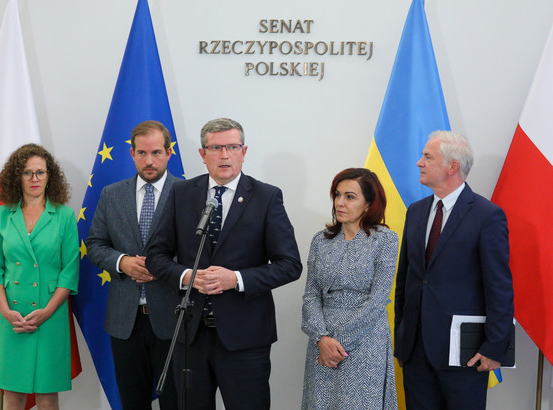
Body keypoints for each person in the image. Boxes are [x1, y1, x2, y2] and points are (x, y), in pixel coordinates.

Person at [146, 117, 302, 409]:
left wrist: (237, 279)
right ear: (202, 155)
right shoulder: (181, 193)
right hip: (189, 336)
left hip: (244, 338)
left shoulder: (266, 197)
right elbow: (156, 256)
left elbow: (290, 264)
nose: (225, 154)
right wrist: (186, 276)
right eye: (216, 148)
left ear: (244, 152)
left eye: (232, 146)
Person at [394, 131, 514, 409]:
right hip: (415, 351)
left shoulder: (487, 215)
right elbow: (406, 278)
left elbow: (498, 286)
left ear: (452, 166)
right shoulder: (415, 211)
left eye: (427, 156)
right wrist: (402, 336)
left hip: (465, 353)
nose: (419, 163)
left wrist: (495, 346)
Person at [86, 120, 180, 410]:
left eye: (155, 152)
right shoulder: (111, 194)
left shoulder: (189, 192)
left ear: (168, 153)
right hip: (125, 321)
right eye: (142, 153)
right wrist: (122, 262)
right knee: (132, 403)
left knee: (177, 403)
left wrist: (164, 267)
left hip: (173, 319)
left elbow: (199, 252)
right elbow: (94, 244)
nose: (148, 160)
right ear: (132, 154)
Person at [0, 144, 79, 410]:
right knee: (13, 397)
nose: (34, 179)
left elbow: (69, 272)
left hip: (50, 313)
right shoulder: (1, 215)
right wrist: (5, 309)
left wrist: (47, 311)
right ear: (17, 176)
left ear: (50, 176)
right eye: (27, 173)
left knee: (48, 398)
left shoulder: (64, 216)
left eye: (40, 172)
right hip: (10, 314)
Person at [301, 168, 399, 410]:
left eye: (350, 196)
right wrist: (322, 339)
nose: (340, 202)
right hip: (322, 339)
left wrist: (339, 343)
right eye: (337, 195)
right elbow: (311, 294)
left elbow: (378, 300)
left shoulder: (385, 240)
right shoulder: (320, 240)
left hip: (365, 339)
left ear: (368, 204)